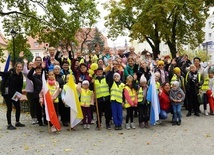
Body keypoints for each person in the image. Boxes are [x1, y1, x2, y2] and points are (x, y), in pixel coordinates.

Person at [0, 62, 25, 130]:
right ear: (15, 67)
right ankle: (9, 124)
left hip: (15, 94)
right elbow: (2, 73)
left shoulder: (20, 75)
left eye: (20, 67)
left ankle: (17, 122)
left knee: (18, 107)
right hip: (7, 94)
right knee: (9, 108)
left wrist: (19, 94)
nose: (19, 68)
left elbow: (20, 86)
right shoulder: (10, 73)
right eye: (18, 67)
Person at [27, 61, 44, 126]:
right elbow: (29, 76)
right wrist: (33, 69)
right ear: (36, 70)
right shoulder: (34, 77)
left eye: (40, 70)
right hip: (37, 94)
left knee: (44, 108)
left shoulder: (43, 76)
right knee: (38, 109)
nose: (39, 71)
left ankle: (45, 120)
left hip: (43, 94)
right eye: (37, 70)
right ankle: (39, 121)